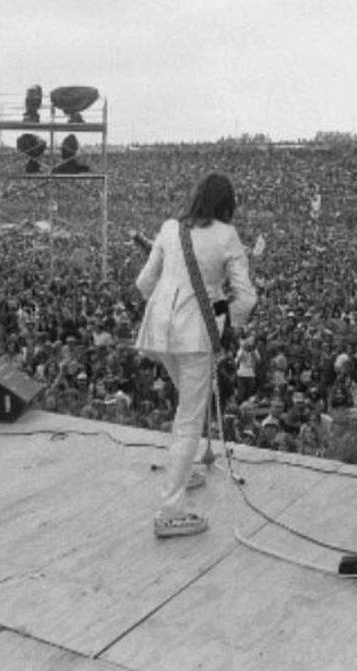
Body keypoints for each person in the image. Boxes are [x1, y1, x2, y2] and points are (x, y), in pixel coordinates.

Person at [135, 172, 257, 538]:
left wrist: (163, 307)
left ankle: (184, 470)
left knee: (186, 408)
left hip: (159, 330)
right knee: (189, 418)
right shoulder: (226, 235)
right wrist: (227, 321)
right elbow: (247, 296)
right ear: (227, 203)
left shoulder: (170, 227)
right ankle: (170, 511)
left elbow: (144, 283)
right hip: (197, 335)